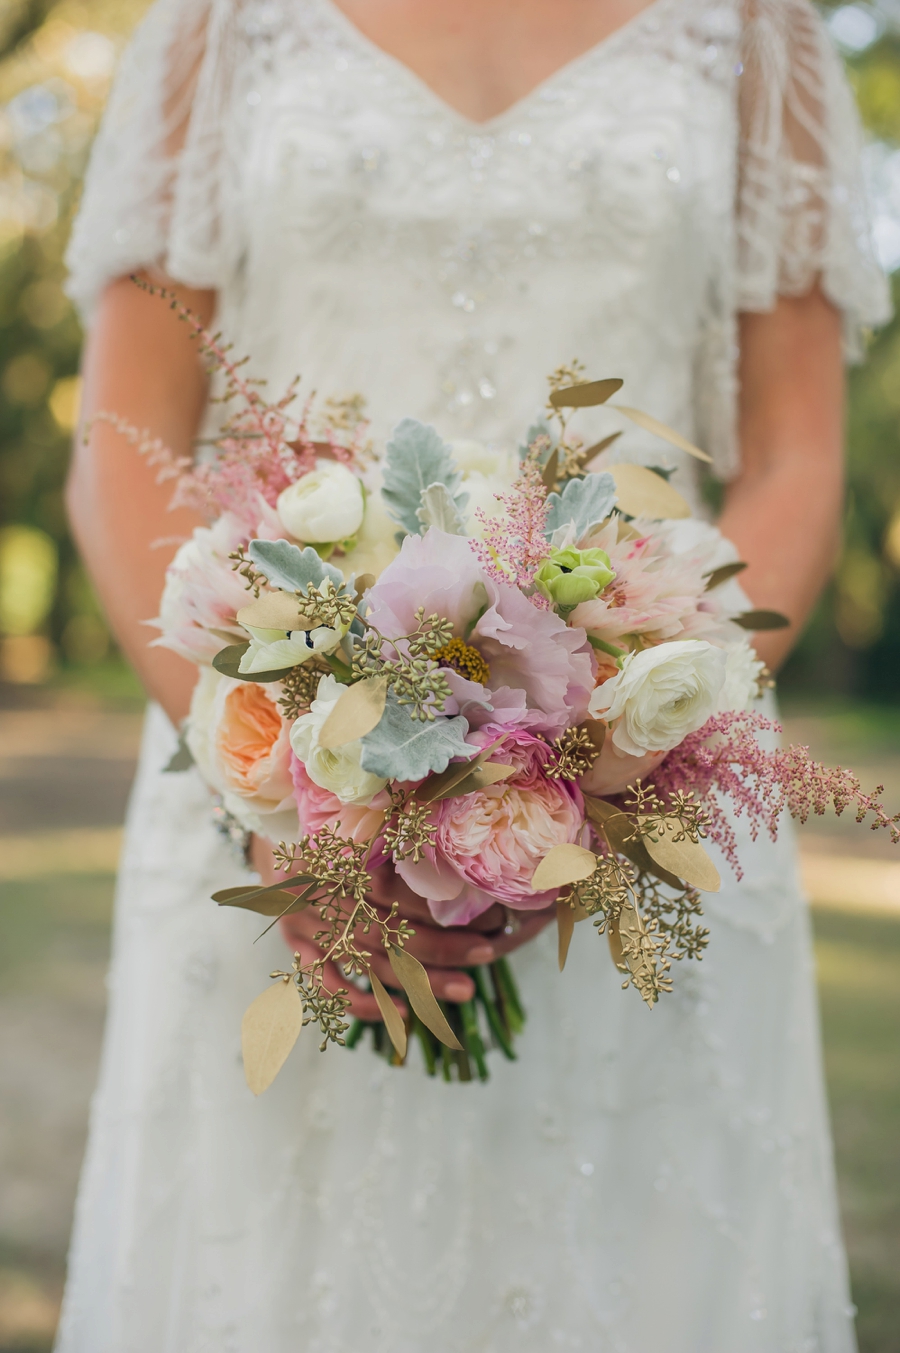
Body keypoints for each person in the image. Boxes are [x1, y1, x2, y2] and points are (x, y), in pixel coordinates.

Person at [58, 0, 890, 1348]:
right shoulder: (220, 21)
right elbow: (122, 437)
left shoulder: (757, 27)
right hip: (264, 798)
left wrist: (601, 776)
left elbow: (796, 457)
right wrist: (282, 789)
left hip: (643, 824)